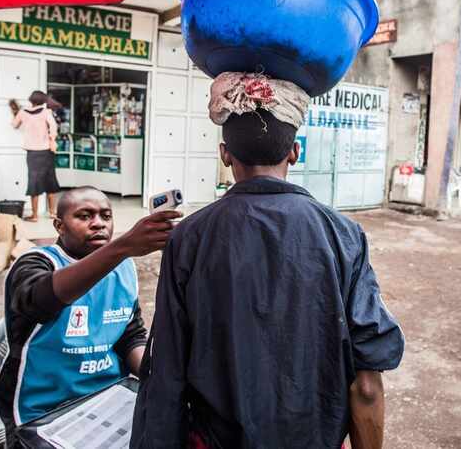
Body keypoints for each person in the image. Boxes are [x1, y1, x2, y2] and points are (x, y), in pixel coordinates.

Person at [132, 72, 405, 449]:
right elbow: (368, 384)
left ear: (225, 155)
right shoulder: (343, 235)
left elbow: (167, 372)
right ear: (294, 152)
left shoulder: (188, 237)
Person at [0, 186, 181, 436]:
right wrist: (122, 247)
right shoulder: (36, 263)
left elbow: (129, 337)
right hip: (42, 411)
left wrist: (156, 370)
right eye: (84, 216)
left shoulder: (123, 269)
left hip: (110, 395)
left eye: (106, 216)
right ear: (59, 226)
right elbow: (40, 301)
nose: (98, 224)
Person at [10, 91, 60, 222]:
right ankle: (52, 213)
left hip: (32, 153)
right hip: (46, 152)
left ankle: (35, 215)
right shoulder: (46, 112)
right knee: (50, 181)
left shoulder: (23, 112)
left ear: (31, 100)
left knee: (34, 183)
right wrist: (52, 138)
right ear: (43, 100)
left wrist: (15, 112)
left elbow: (14, 125)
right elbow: (53, 126)